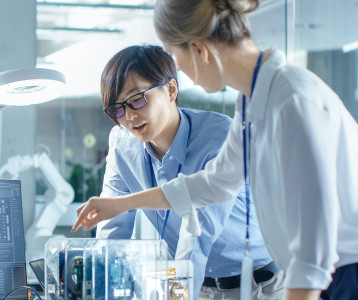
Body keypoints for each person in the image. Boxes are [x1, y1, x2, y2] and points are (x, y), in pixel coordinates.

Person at [72, 0, 358, 299]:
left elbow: (314, 248)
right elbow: (215, 183)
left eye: (174, 55)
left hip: (340, 277)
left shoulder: (292, 100)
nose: (178, 69)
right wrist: (122, 204)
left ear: (199, 50)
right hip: (322, 275)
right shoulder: (253, 101)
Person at [96, 44, 283, 299]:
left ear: (171, 90)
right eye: (116, 109)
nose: (128, 117)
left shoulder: (219, 137)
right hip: (200, 286)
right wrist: (100, 287)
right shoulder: (122, 145)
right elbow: (112, 227)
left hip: (263, 285)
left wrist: (178, 295)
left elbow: (197, 236)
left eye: (137, 99)